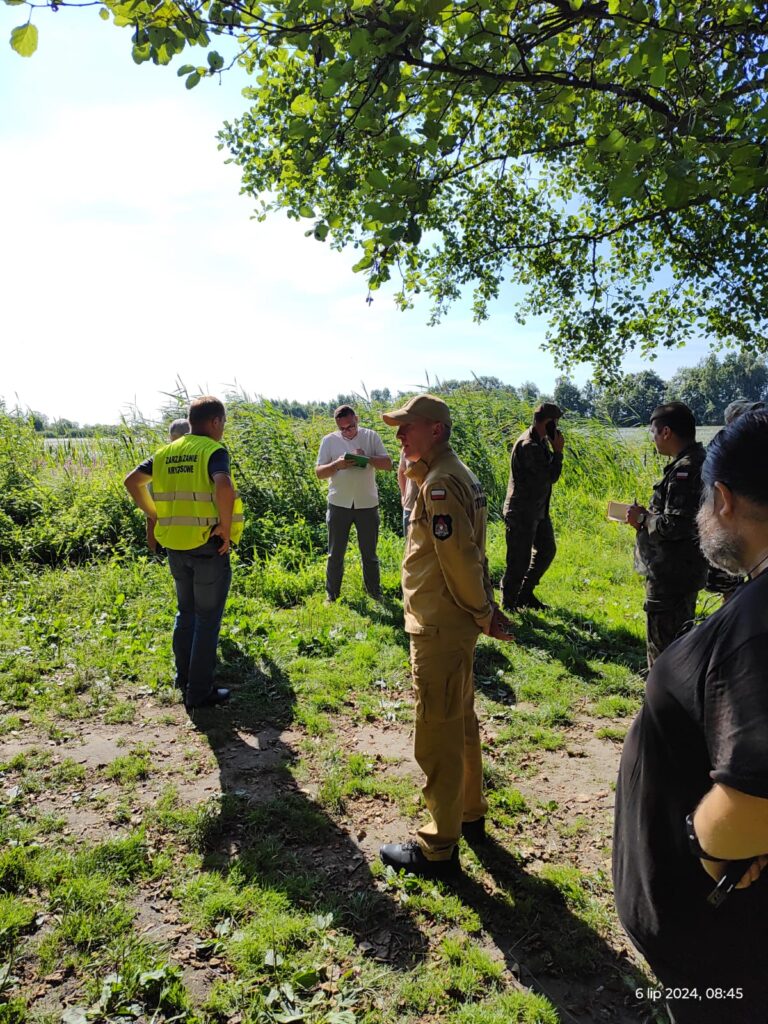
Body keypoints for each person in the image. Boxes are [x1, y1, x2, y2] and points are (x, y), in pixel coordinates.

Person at [613, 410, 768, 1024]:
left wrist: (708, 851)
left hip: (715, 950)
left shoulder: (758, 625)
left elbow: (753, 798)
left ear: (723, 498)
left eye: (708, 500)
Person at [378, 394, 513, 879]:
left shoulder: (439, 483)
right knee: (460, 721)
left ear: (435, 429)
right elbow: (469, 551)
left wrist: (484, 612)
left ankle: (438, 846)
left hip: (440, 624)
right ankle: (469, 814)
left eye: (407, 426)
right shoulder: (447, 473)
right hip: (451, 621)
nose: (399, 435)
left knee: (437, 730)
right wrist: (483, 610)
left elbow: (458, 557)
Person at [124, 396, 244, 709]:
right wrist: (225, 527)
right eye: (223, 422)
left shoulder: (165, 453)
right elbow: (224, 486)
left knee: (186, 612)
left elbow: (132, 481)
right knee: (207, 619)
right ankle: (199, 692)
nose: (222, 428)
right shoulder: (213, 450)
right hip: (206, 545)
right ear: (215, 422)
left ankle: (184, 677)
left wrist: (154, 515)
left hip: (174, 546)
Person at [626, 402, 707, 668]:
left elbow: (676, 524)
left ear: (666, 432)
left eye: (653, 432)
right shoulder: (698, 462)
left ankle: (661, 694)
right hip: (684, 572)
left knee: (663, 657)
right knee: (680, 650)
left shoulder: (685, 470)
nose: (653, 438)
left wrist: (642, 519)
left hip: (671, 576)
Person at [315, 405, 392, 602]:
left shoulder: (371, 436)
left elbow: (388, 464)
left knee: (369, 554)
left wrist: (367, 458)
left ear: (356, 419)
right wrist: (336, 465)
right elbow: (319, 473)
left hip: (367, 503)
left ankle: (375, 593)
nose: (347, 431)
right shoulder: (329, 440)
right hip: (339, 503)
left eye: (350, 426)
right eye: (342, 428)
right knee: (335, 554)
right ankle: (331, 596)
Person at [500, 402, 565, 611]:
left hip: (537, 511)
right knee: (519, 561)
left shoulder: (540, 441)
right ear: (548, 423)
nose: (557, 428)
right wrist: (558, 452)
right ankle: (508, 604)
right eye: (555, 423)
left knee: (547, 550)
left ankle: (524, 594)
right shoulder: (529, 445)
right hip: (521, 512)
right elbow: (550, 476)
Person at [147, 418, 191, 553]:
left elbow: (150, 513)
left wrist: (152, 547)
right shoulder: (202, 458)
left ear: (171, 436)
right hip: (199, 537)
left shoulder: (160, 459)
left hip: (167, 538)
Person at [397, 449, 419, 536]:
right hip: (410, 506)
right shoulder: (407, 448)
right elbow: (402, 471)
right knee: (409, 542)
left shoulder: (435, 446)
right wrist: (403, 495)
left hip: (430, 507)